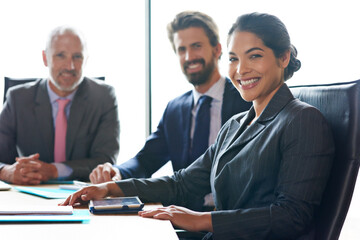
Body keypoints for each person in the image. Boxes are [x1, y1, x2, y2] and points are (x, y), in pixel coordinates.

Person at [62, 12, 334, 239]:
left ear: (283, 58)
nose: (240, 70)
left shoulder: (302, 120)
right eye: (233, 59)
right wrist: (111, 189)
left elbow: (292, 216)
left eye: (254, 56)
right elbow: (183, 183)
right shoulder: (235, 125)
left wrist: (204, 220)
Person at [89, 11, 251, 209]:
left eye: (196, 46)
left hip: (232, 218)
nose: (189, 56)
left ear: (217, 49)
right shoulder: (175, 109)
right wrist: (116, 173)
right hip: (184, 219)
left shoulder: (247, 101)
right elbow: (145, 161)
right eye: (181, 49)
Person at [0, 26, 120, 185]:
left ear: (86, 59)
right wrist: (6, 172)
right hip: (28, 193)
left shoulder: (104, 97)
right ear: (45, 58)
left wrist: (54, 170)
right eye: (60, 56)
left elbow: (106, 160)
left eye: (77, 56)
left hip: (84, 194)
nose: (69, 66)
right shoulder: (18, 98)